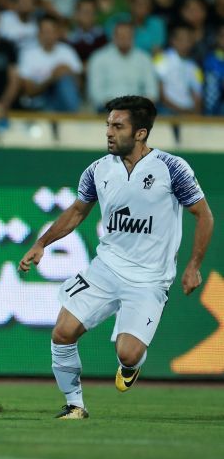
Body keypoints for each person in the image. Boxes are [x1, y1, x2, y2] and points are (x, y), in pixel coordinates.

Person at [18, 95, 213, 419]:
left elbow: (203, 215)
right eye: (108, 124)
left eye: (118, 126)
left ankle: (131, 365)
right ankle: (75, 405)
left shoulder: (171, 168)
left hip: (150, 279)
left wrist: (194, 266)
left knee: (128, 352)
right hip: (106, 268)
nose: (109, 132)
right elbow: (77, 211)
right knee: (62, 332)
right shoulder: (98, 170)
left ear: (140, 133)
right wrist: (42, 243)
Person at [87, 22, 158, 110]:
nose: (124, 39)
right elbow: (95, 92)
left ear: (133, 37)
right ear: (113, 37)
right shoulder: (99, 58)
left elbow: (152, 90)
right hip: (107, 108)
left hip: (137, 109)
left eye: (127, 36)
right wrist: (117, 107)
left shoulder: (144, 58)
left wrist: (141, 105)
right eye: (121, 36)